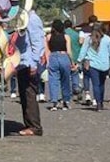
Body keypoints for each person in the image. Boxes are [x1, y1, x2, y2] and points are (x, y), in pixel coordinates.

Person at [13, 8, 45, 136]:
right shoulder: (24, 18)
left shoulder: (32, 19)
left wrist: (34, 63)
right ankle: (29, 124)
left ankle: (34, 126)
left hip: (29, 62)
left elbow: (37, 42)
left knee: (29, 94)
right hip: (23, 62)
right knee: (25, 94)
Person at [76, 23, 110, 111]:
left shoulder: (89, 39)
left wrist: (79, 61)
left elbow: (83, 50)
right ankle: (101, 102)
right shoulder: (107, 39)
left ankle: (98, 103)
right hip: (105, 65)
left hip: (93, 65)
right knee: (102, 84)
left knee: (95, 84)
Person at [45, 19, 73, 110]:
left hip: (53, 57)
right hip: (64, 56)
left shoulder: (48, 37)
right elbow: (69, 51)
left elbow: (47, 51)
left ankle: (54, 102)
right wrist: (72, 62)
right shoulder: (66, 37)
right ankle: (66, 101)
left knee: (53, 80)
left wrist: (48, 61)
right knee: (66, 80)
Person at [64, 19, 82, 99]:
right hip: (75, 56)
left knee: (66, 76)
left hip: (65, 57)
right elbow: (79, 45)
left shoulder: (63, 34)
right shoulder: (76, 34)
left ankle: (69, 92)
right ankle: (76, 88)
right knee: (75, 74)